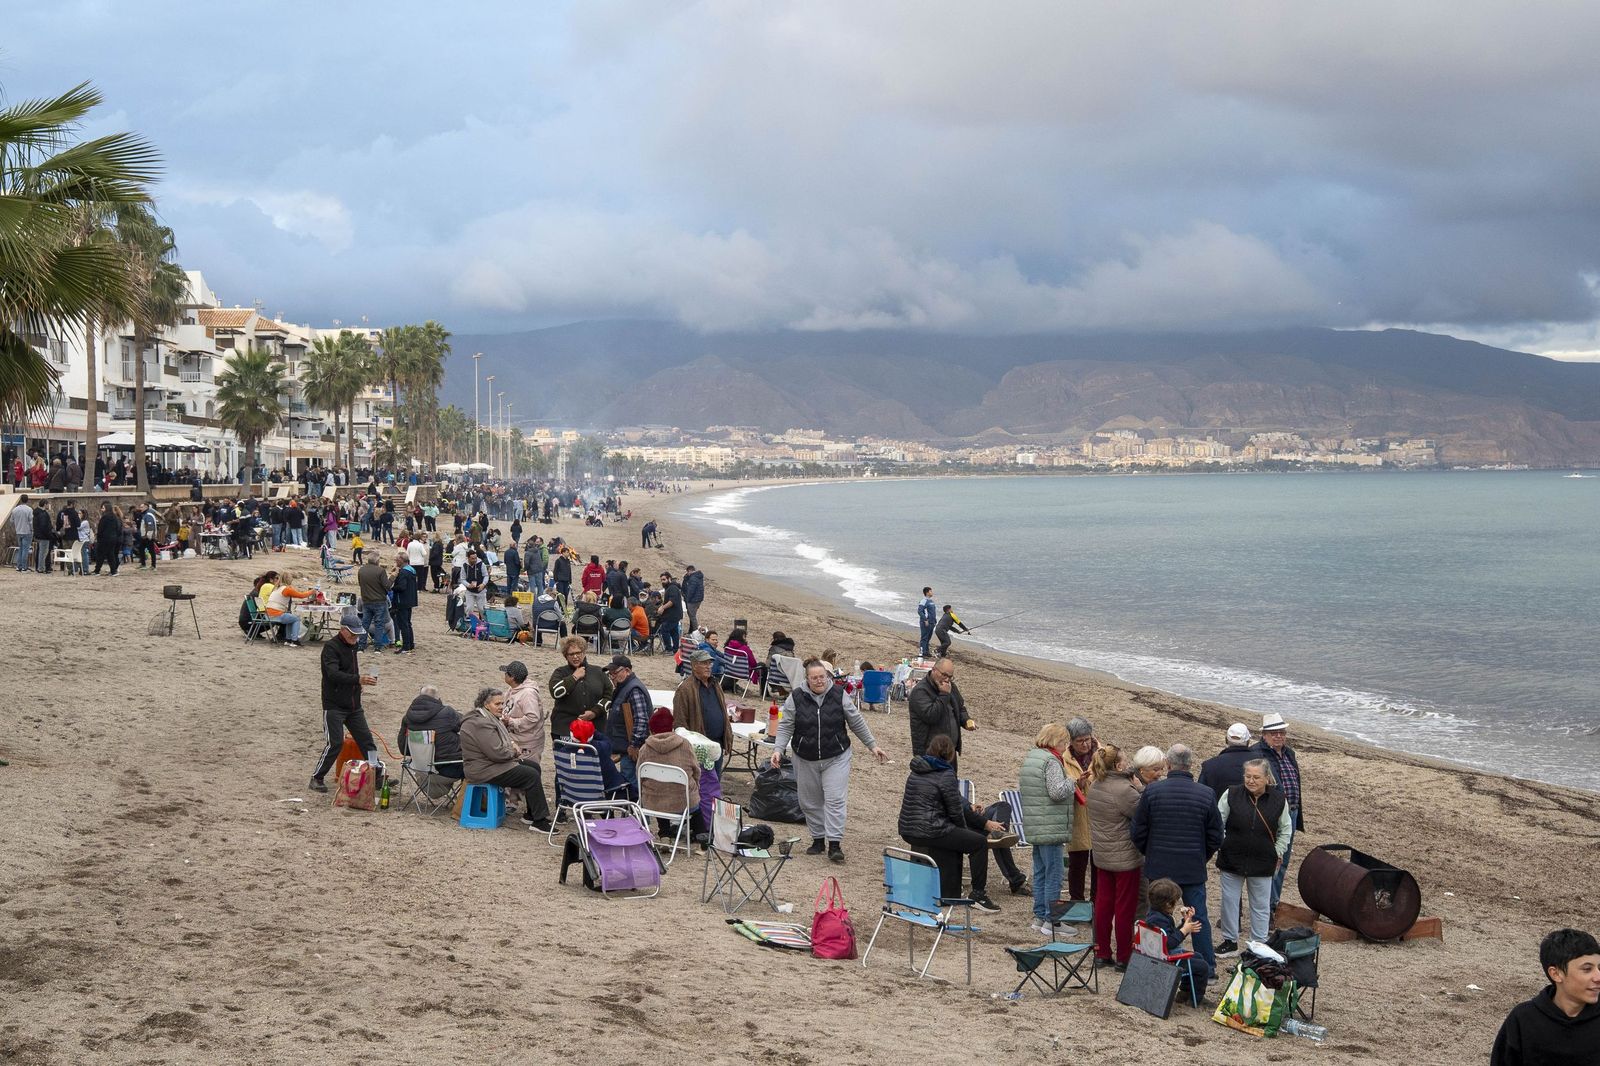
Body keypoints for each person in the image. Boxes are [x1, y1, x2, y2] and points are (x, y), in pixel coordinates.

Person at [768, 658, 889, 863]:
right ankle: (817, 839)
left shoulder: (839, 694)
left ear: (827, 676)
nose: (819, 681)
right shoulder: (796, 697)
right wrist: (778, 750)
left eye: (822, 677)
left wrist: (873, 745)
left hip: (836, 755)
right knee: (809, 802)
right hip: (804, 756)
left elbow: (856, 721)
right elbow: (786, 725)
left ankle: (834, 844)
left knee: (834, 799)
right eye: (814, 678)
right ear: (807, 679)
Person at [1131, 744, 1223, 980]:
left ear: (1168, 765)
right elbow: (1216, 836)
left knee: (1156, 918)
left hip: (1160, 866)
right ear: (1190, 765)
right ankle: (1208, 969)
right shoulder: (1205, 794)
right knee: (1198, 917)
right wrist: (1202, 856)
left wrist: (1150, 852)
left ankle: (1153, 960)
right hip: (1191, 866)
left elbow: (1138, 830)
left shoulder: (1152, 792)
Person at [897, 733, 1009, 913]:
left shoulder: (917, 770)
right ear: (950, 754)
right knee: (979, 843)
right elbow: (955, 809)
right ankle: (978, 894)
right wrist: (963, 830)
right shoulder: (945, 773)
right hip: (932, 830)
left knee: (961, 838)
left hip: (908, 829)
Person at [1214, 758, 1293, 956]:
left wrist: (1277, 851)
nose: (1251, 780)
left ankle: (1258, 944)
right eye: (1248, 776)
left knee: (1260, 905)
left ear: (1267, 778)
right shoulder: (1231, 794)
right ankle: (1230, 941)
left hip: (1263, 860)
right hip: (1232, 857)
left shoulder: (1279, 799)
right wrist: (1223, 843)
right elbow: (1218, 821)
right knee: (1229, 901)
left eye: (1256, 777)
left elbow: (1286, 829)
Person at [1491, 928, 1600, 1066]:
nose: (1598, 977)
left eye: (1599, 968)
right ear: (1556, 974)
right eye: (1587, 969)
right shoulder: (1523, 1020)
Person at [459, 686, 552, 831]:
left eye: (502, 703)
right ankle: (540, 822)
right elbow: (497, 753)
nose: (501, 707)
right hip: (483, 770)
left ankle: (531, 814)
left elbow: (498, 749)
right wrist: (514, 752)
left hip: (490, 765)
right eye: (497, 704)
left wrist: (512, 747)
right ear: (485, 704)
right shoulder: (480, 724)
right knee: (530, 775)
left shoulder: (487, 719)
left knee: (534, 766)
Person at [1086, 744, 1144, 970]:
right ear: (1118, 764)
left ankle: (1101, 951)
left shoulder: (1096, 785)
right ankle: (1124, 955)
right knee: (1124, 908)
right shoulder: (1123, 789)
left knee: (1103, 903)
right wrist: (1140, 789)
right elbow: (1140, 813)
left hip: (1102, 853)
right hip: (1125, 857)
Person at [1017, 722, 1077, 936]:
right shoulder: (1051, 761)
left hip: (1036, 823)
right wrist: (1072, 780)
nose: (1065, 746)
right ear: (1056, 741)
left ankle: (1040, 915)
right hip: (1049, 825)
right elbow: (1056, 791)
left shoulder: (1032, 758)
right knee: (1054, 873)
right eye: (1064, 742)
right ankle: (1053, 920)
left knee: (1041, 871)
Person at [308, 609, 378, 792]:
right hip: (334, 705)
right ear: (343, 630)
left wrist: (358, 684)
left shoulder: (352, 646)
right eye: (353, 633)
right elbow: (333, 674)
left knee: (367, 742)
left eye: (357, 634)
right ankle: (317, 777)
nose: (356, 637)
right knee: (335, 743)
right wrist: (357, 680)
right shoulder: (331, 647)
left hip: (354, 705)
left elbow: (350, 670)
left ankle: (377, 775)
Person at [1252, 713, 1304, 910]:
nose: (1279, 737)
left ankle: (1273, 904)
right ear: (1264, 735)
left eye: (1282, 732)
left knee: (1283, 860)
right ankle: (1265, 905)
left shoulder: (1289, 753)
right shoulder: (1257, 753)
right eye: (1274, 733)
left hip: (1292, 812)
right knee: (1271, 859)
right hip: (1271, 813)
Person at [636, 707, 706, 840]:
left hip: (653, 803)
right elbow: (696, 771)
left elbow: (639, 775)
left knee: (658, 789)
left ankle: (665, 833)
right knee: (692, 797)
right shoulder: (684, 745)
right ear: (672, 726)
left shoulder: (645, 749)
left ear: (651, 729)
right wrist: (695, 786)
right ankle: (701, 833)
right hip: (683, 802)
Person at [1144, 878, 1212, 1003]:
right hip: (1165, 959)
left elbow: (1169, 935)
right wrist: (1184, 930)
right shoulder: (1159, 920)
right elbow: (1169, 943)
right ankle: (1196, 998)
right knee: (1202, 967)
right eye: (1175, 903)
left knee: (1198, 956)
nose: (1176, 906)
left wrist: (1184, 923)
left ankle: (1185, 991)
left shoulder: (1153, 914)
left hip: (1158, 954)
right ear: (1168, 904)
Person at [908, 658, 975, 766]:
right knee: (932, 782)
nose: (947, 679)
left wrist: (966, 720)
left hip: (949, 750)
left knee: (950, 781)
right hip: (929, 751)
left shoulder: (950, 687)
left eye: (950, 676)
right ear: (934, 670)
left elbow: (960, 707)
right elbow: (931, 716)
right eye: (944, 675)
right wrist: (944, 695)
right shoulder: (920, 691)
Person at [548, 636, 613, 743]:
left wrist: (595, 712)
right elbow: (555, 692)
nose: (575, 657)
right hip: (565, 728)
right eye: (571, 654)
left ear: (584, 653)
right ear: (566, 656)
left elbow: (609, 695)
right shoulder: (559, 673)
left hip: (595, 727)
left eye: (578, 653)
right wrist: (574, 677)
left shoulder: (598, 672)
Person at [605, 654, 652, 798]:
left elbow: (641, 720)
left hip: (630, 751)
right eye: (610, 674)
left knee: (633, 790)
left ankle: (637, 819)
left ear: (627, 671)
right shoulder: (625, 687)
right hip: (625, 748)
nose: (612, 677)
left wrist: (634, 745)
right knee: (631, 787)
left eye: (615, 673)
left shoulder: (633, 689)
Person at [397, 685, 465, 779]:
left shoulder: (407, 718)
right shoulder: (447, 712)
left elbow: (403, 749)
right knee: (477, 766)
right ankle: (467, 794)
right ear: (438, 699)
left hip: (419, 767)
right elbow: (465, 725)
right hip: (447, 768)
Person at [1063, 717, 1098, 902]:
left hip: (1099, 815)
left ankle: (1096, 903)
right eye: (1080, 741)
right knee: (1077, 863)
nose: (1085, 744)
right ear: (1071, 741)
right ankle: (1077, 902)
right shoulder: (1064, 758)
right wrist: (1078, 783)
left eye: (1087, 739)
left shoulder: (1101, 754)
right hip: (1077, 816)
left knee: (1099, 865)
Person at [1198, 723, 1255, 798]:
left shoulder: (1210, 765)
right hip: (1254, 809)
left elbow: (1201, 794)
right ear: (1248, 741)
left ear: (1226, 740)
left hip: (1218, 809)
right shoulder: (1261, 763)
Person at [263, 571, 313, 646]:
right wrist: (312, 591)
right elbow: (301, 595)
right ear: (289, 579)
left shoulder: (276, 588)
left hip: (267, 614)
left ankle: (288, 640)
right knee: (296, 619)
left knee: (290, 619)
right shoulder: (286, 589)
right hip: (275, 614)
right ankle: (294, 640)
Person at [356, 555, 392, 651]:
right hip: (379, 601)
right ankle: (377, 647)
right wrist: (392, 577)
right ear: (377, 561)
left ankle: (361, 646)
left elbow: (360, 584)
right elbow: (387, 586)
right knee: (379, 624)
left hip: (366, 600)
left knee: (365, 623)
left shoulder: (361, 570)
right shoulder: (380, 571)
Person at [390, 551, 419, 654]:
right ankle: (410, 644)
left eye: (397, 560)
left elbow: (402, 587)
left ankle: (406, 646)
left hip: (402, 600)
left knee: (403, 624)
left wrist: (393, 588)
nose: (396, 562)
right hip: (410, 599)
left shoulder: (403, 572)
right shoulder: (412, 570)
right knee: (408, 623)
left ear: (402, 560)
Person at [656, 571, 684, 653]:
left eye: (664, 579)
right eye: (661, 580)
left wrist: (662, 608)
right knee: (674, 631)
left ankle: (669, 649)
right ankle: (675, 649)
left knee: (664, 630)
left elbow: (672, 601)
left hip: (672, 615)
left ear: (669, 579)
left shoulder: (672, 588)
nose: (662, 581)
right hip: (674, 614)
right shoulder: (670, 588)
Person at [460, 548, 489, 622]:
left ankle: (484, 622)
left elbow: (486, 575)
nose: (474, 560)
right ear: (468, 558)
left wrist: (483, 584)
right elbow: (462, 579)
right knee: (469, 608)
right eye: (472, 559)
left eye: (475, 558)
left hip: (480, 591)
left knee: (482, 609)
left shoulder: (481, 564)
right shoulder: (464, 566)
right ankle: (470, 624)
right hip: (470, 591)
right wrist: (468, 585)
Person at [9, 494, 32, 572]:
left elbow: (11, 521)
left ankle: (18, 566)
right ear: (27, 500)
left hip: (18, 531)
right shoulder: (29, 509)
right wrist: (32, 530)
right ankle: (24, 567)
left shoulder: (15, 510)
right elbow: (31, 521)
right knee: (25, 549)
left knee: (21, 549)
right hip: (27, 531)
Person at [681, 563, 705, 632]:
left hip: (693, 600)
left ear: (689, 571)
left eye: (687, 572)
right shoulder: (698, 576)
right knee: (692, 615)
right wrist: (686, 577)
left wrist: (687, 599)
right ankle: (692, 630)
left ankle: (696, 631)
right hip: (698, 599)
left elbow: (691, 590)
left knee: (692, 616)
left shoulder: (693, 578)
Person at [916, 586, 937, 659]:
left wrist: (935, 621)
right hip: (926, 622)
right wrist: (925, 620)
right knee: (924, 638)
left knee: (928, 638)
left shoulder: (931, 601)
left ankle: (926, 652)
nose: (932, 592)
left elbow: (932, 612)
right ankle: (922, 653)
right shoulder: (923, 600)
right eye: (931, 591)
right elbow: (920, 611)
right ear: (927, 592)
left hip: (932, 622)